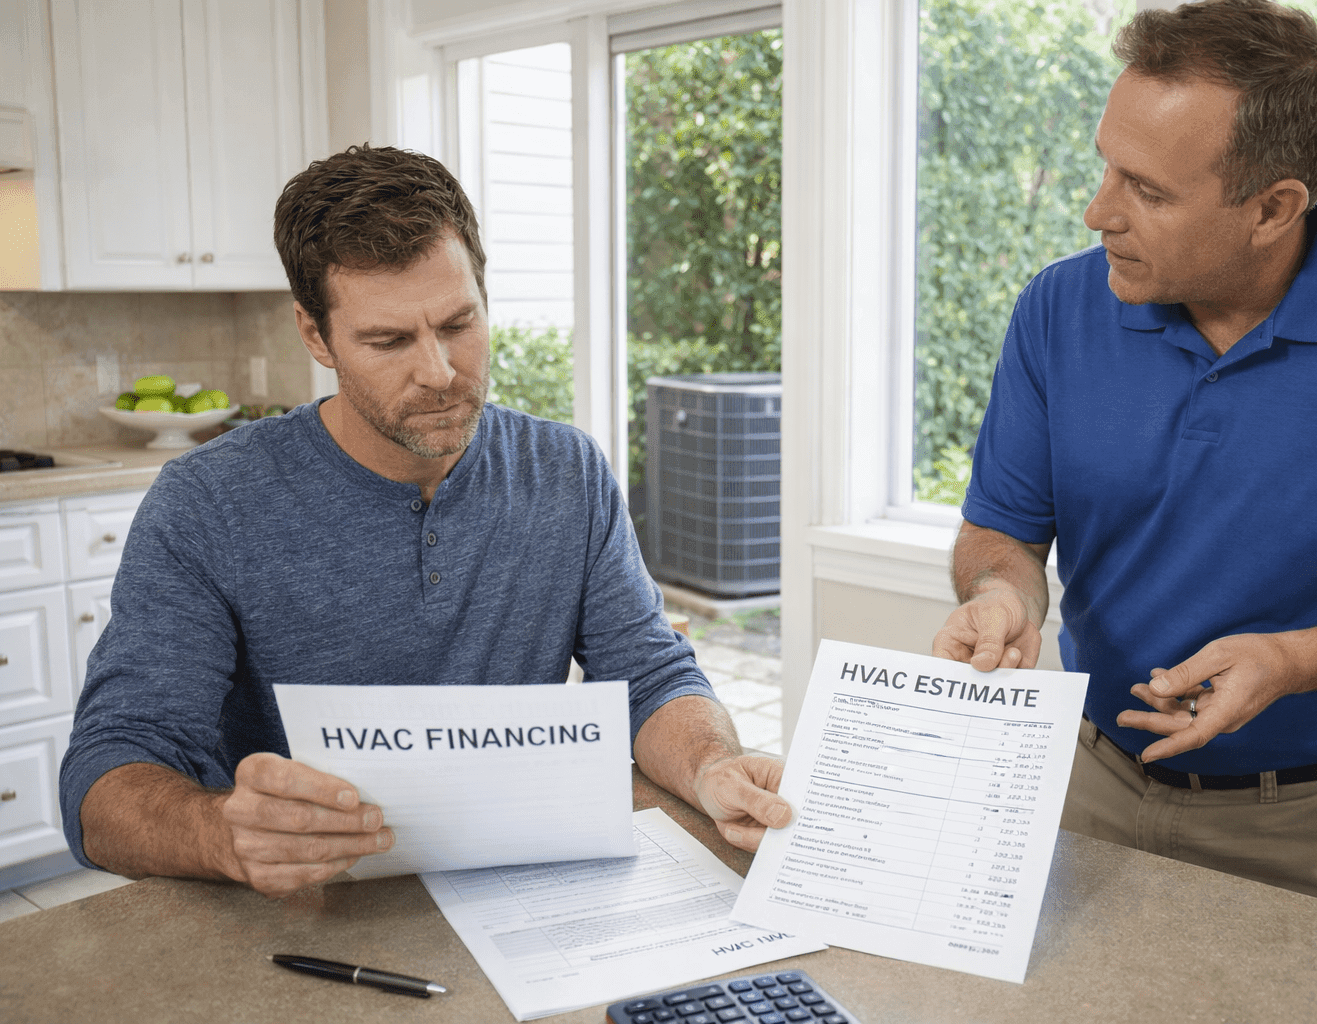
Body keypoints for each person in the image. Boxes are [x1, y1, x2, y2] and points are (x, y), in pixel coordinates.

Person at [932, 0, 1317, 925]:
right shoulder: (1057, 310)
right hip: (1083, 791)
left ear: (1275, 207)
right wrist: (1001, 596)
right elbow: (1002, 529)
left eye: (1149, 190)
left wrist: (1298, 660)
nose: (1099, 212)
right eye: (1107, 167)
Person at [60, 145, 790, 899]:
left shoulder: (566, 471)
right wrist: (221, 834)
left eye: (458, 322)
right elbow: (106, 776)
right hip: (309, 916)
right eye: (388, 341)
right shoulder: (206, 504)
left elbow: (648, 675)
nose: (440, 371)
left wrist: (711, 766)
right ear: (316, 336)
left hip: (524, 893)